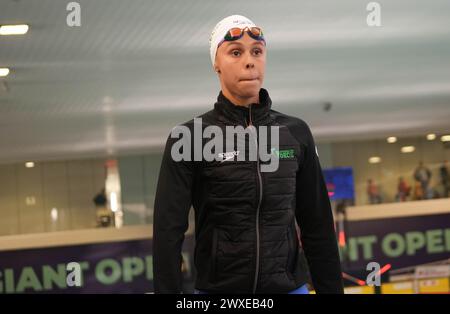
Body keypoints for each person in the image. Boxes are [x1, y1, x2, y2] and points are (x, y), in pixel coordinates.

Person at [152, 15, 343, 294]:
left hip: (288, 288)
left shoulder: (295, 133)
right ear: (216, 63)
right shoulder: (189, 138)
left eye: (257, 51)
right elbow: (168, 232)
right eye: (235, 52)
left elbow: (318, 226)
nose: (249, 61)